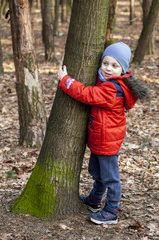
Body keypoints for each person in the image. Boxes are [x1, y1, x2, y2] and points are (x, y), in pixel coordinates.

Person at [58, 42, 150, 225]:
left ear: (123, 69)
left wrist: (66, 80)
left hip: (106, 140)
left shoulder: (112, 88)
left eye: (115, 65)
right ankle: (94, 200)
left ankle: (112, 210)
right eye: (105, 63)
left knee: (110, 177)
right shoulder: (110, 82)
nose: (108, 68)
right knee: (97, 172)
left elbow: (87, 94)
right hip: (101, 138)